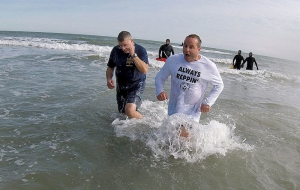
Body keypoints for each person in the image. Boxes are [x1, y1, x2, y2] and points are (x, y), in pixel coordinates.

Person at [155, 34, 224, 137]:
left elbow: (219, 85)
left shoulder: (208, 66)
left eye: (191, 47)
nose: (187, 50)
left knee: (183, 136)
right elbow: (160, 77)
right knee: (177, 141)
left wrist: (208, 102)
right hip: (174, 109)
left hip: (192, 113)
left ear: (198, 49)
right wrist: (160, 90)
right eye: (185, 46)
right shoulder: (173, 60)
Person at [106, 31, 149, 119]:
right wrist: (109, 79)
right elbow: (110, 68)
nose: (123, 48)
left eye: (125, 45)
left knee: (129, 110)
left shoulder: (141, 50)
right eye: (121, 45)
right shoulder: (116, 50)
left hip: (137, 85)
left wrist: (133, 55)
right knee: (123, 113)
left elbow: (144, 70)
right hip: (121, 86)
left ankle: (144, 122)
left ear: (131, 41)